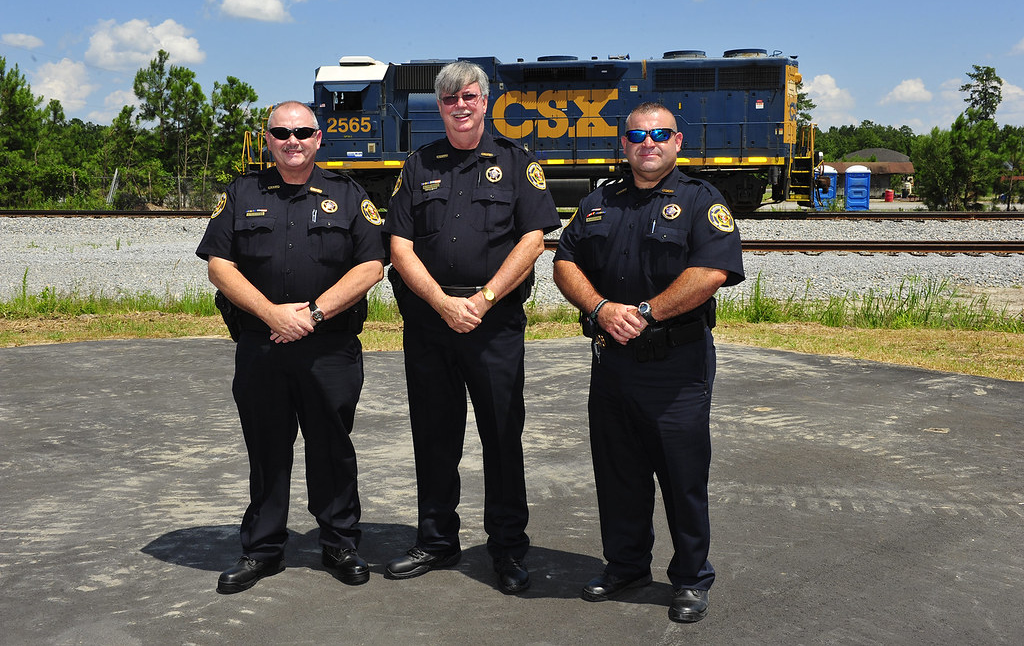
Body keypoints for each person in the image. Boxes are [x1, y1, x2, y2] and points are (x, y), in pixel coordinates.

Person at [552, 102, 744, 623]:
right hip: (611, 363)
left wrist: (642, 313)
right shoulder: (598, 202)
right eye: (637, 135)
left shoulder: (702, 200)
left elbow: (711, 272)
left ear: (677, 141)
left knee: (682, 477)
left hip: (676, 366)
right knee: (618, 473)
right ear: (624, 144)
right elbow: (563, 261)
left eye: (659, 134)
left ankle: (690, 578)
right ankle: (626, 565)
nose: (648, 143)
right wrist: (599, 308)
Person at [383, 61, 560, 594]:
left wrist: (482, 301)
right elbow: (399, 246)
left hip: (495, 326)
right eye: (449, 99)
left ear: (486, 101)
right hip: (432, 327)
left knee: (502, 438)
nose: (460, 106)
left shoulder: (516, 161)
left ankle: (506, 548)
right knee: (434, 437)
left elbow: (534, 241)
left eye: (469, 97)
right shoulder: (417, 165)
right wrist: (441, 303)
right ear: (439, 107)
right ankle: (437, 540)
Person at [196, 100, 386, 594]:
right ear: (268, 141)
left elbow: (371, 266)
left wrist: (313, 314)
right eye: (281, 133)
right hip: (263, 346)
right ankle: (262, 550)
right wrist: (272, 314)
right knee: (267, 450)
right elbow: (219, 265)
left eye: (302, 131)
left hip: (329, 347)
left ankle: (340, 543)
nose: (292, 140)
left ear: (319, 137)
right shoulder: (242, 193)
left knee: (332, 449)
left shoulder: (347, 194)